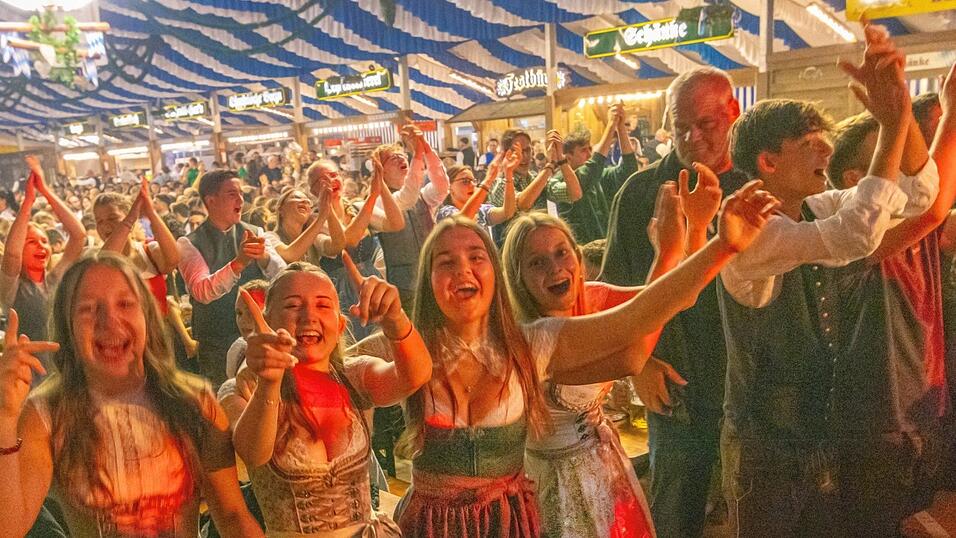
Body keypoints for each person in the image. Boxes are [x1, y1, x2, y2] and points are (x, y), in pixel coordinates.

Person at [379, 179, 775, 536]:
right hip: (432, 527)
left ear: (495, 274)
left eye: (476, 257)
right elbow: (340, 366)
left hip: (508, 522)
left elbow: (643, 314)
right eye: (445, 262)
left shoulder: (532, 343)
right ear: (428, 282)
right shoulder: (408, 345)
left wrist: (721, 246)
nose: (463, 268)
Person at [717, 29, 938, 536]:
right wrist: (894, 122)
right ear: (768, 163)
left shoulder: (817, 205)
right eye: (809, 143)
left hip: (818, 432)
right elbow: (858, 233)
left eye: (825, 138)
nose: (827, 150)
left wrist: (899, 118)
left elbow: (919, 195)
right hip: (765, 449)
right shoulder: (752, 231)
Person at [0, 252, 264, 537]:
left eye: (125, 304)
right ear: (67, 328)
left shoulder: (194, 401)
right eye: (88, 309)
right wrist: (4, 418)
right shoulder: (47, 413)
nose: (109, 320)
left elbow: (233, 516)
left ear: (148, 317)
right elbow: (9, 528)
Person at [601, 67, 747, 538]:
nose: (693, 137)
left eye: (706, 124)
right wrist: (638, 366)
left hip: (752, 385)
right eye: (681, 125)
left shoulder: (753, 185)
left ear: (733, 114)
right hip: (676, 384)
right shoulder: (641, 191)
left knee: (751, 513)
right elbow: (616, 292)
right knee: (675, 515)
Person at [820, 56, 956, 535]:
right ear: (861, 180)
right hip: (878, 425)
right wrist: (951, 113)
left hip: (925, 410)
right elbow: (935, 205)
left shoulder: (925, 233)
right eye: (892, 151)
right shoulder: (853, 239)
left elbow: (936, 200)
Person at [220, 261, 431, 536]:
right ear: (267, 321)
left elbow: (415, 375)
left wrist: (396, 319)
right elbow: (254, 453)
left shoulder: (354, 376)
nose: (309, 316)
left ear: (340, 324)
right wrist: (269, 383)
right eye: (293, 305)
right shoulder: (239, 389)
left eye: (322, 305)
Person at [177, 169, 286, 388]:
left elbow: (281, 275)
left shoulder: (255, 232)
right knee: (226, 405)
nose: (240, 199)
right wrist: (239, 263)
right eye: (231, 194)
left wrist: (263, 257)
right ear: (211, 200)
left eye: (241, 193)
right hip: (217, 342)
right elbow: (202, 291)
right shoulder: (189, 243)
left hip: (259, 336)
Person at [1, 156, 85, 374]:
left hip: (67, 368)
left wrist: (46, 191)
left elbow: (78, 236)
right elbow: (11, 255)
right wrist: (28, 202)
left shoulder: (54, 279)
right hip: (33, 373)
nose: (41, 247)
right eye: (31, 242)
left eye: (44, 241)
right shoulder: (12, 287)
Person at [308, 159, 402, 341]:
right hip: (340, 289)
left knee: (383, 337)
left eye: (334, 175)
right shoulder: (314, 219)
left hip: (371, 280)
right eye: (322, 179)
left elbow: (396, 223)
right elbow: (343, 243)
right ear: (313, 190)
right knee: (354, 341)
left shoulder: (358, 207)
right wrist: (373, 196)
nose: (331, 180)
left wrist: (381, 186)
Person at [371, 124, 449, 311]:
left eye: (402, 155)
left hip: (435, 276)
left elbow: (441, 184)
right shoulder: (377, 203)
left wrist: (425, 147)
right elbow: (407, 196)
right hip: (404, 288)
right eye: (392, 158)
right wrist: (418, 154)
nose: (400, 158)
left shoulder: (422, 195)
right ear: (381, 170)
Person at [550, 103, 639, 245]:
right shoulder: (560, 180)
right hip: (581, 252)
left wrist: (620, 127)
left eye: (590, 148)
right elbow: (588, 174)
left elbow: (628, 170)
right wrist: (610, 126)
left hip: (603, 248)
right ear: (568, 157)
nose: (589, 154)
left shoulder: (598, 175)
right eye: (583, 150)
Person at [96, 179, 181, 317]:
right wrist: (129, 219)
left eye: (112, 218)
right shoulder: (96, 259)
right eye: (99, 221)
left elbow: (173, 261)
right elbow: (107, 262)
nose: (105, 226)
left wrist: (151, 214)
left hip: (160, 335)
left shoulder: (148, 251)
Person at [436, 158, 517, 236]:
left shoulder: (481, 210)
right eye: (465, 181)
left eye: (473, 181)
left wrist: (508, 175)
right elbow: (460, 222)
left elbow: (507, 212)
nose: (472, 185)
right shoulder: (445, 212)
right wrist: (488, 180)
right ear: (450, 187)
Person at [265, 187, 344, 265]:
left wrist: (329, 208)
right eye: (297, 197)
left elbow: (337, 246)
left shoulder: (313, 237)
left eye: (308, 202)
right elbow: (290, 256)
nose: (304, 201)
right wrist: (321, 217)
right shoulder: (269, 237)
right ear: (280, 209)